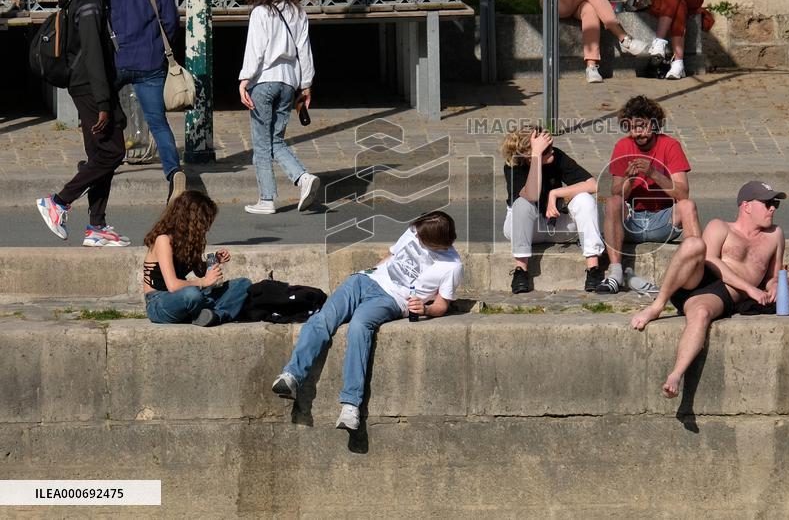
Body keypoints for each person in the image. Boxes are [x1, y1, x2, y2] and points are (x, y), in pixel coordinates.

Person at [271, 211, 462, 431]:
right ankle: (292, 375)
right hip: (364, 280)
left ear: (435, 241)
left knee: (359, 327)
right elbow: (391, 256)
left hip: (392, 298)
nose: (416, 237)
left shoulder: (452, 266)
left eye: (421, 238)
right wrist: (372, 271)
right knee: (323, 319)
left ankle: (351, 405)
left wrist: (425, 308)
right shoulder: (414, 231)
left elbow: (442, 305)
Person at [630, 181, 787, 397]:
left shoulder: (775, 235)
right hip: (698, 277)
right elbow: (709, 258)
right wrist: (751, 289)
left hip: (719, 295)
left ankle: (675, 375)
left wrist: (775, 285)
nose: (773, 208)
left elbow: (772, 275)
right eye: (767, 203)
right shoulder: (720, 227)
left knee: (701, 315)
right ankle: (657, 305)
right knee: (694, 244)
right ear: (746, 206)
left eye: (775, 203)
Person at [36, 0, 130, 248]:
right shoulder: (88, 1)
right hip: (90, 86)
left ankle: (96, 227)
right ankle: (58, 202)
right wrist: (104, 102)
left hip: (90, 84)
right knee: (113, 152)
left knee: (99, 154)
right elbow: (91, 54)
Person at [103, 0, 185, 203]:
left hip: (117, 61)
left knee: (101, 112)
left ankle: (100, 163)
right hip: (150, 61)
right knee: (158, 123)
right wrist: (161, 47)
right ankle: (174, 173)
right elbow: (171, 20)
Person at [238, 0, 320, 215]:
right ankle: (303, 178)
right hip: (288, 83)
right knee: (276, 140)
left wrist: (244, 79)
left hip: (263, 81)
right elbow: (304, 51)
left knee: (261, 143)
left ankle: (267, 198)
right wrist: (306, 84)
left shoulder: (261, 12)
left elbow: (256, 51)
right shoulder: (298, 12)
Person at [596, 95, 700, 294]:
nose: (637, 132)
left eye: (642, 126)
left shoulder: (670, 146)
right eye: (633, 127)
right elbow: (617, 193)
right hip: (632, 220)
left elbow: (683, 193)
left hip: (663, 220)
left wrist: (653, 173)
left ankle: (695, 271)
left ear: (654, 124)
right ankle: (616, 273)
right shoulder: (623, 147)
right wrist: (630, 179)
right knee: (612, 202)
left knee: (688, 206)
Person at [501, 126, 604, 294]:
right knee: (522, 203)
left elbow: (593, 184)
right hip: (525, 229)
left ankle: (593, 269)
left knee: (585, 199)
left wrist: (555, 193)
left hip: (553, 224)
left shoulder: (556, 156)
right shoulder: (514, 165)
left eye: (550, 146)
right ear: (529, 155)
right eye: (546, 149)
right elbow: (531, 195)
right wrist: (536, 157)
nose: (552, 151)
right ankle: (521, 270)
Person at [141, 190, 251, 326]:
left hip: (191, 296)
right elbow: (173, 286)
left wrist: (215, 260)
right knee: (191, 295)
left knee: (242, 284)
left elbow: (200, 271)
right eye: (206, 221)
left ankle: (211, 316)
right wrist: (203, 282)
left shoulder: (190, 241)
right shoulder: (163, 240)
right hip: (160, 301)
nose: (208, 227)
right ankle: (213, 314)